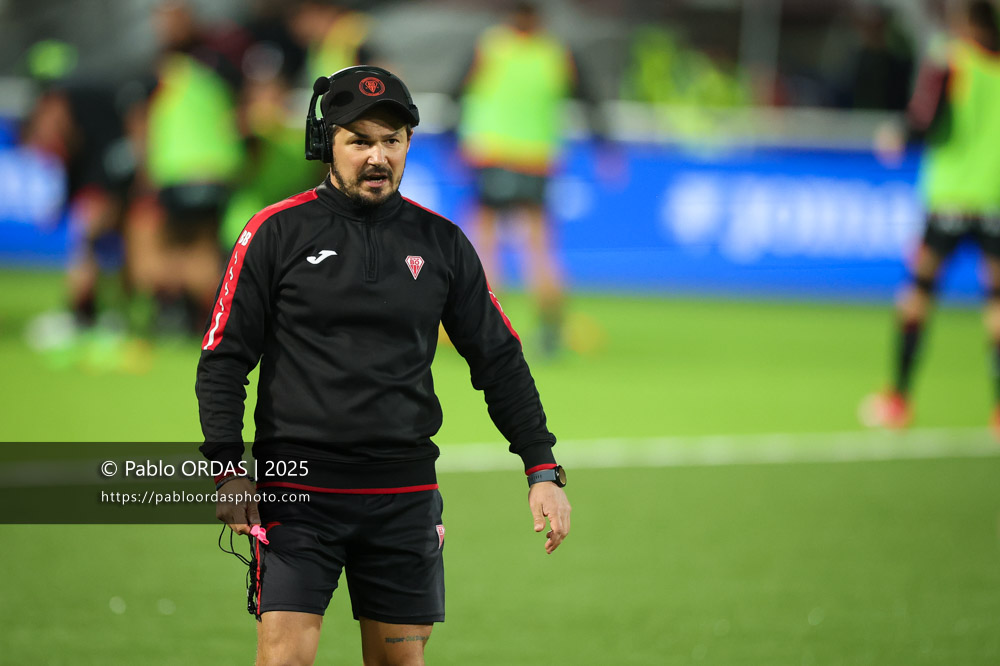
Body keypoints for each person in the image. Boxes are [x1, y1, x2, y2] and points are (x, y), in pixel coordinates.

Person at [195, 65, 571, 666]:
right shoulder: (274, 233)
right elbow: (223, 360)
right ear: (327, 145)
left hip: (402, 496)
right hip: (297, 494)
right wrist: (226, 469)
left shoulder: (443, 242)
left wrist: (542, 468)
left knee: (399, 661)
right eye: (359, 140)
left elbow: (499, 361)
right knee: (283, 658)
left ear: (408, 146)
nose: (377, 157)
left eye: (391, 141)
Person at [864, 1, 1000, 433]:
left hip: (950, 198)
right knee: (997, 306)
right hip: (996, 199)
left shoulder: (950, 59)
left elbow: (927, 118)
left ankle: (899, 399)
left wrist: (899, 134)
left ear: (963, 22)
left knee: (918, 292)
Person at [453, 2, 605, 356]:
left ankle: (484, 331)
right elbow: (590, 99)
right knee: (539, 248)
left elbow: (456, 93)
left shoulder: (490, 46)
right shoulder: (556, 52)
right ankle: (550, 332)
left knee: (485, 244)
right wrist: (605, 146)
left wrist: (451, 138)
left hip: (492, 154)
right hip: (537, 160)